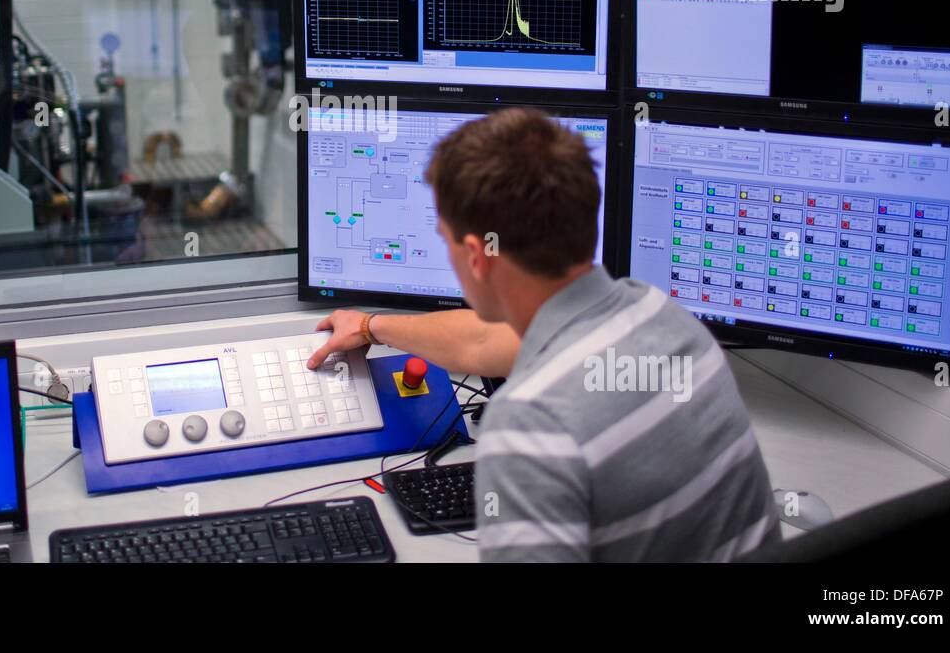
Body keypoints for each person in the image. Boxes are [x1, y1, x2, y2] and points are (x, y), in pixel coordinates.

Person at [307, 107, 779, 562]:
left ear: (477, 255)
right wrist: (371, 326)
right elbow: (485, 341)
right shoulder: (663, 316)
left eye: (442, 235)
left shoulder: (530, 425)